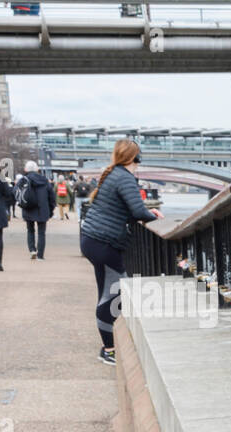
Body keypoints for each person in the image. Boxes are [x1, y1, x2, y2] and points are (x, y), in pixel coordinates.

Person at [79, 139, 162, 365]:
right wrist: (153, 215)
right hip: (103, 243)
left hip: (94, 240)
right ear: (136, 157)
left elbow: (125, 209)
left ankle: (107, 345)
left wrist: (148, 211)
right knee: (115, 294)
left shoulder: (114, 174)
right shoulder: (124, 177)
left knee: (107, 292)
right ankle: (108, 349)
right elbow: (137, 210)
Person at [18, 160, 52, 260]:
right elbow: (51, 196)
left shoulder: (23, 180)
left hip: (28, 207)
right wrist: (51, 209)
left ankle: (32, 249)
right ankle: (40, 255)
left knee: (30, 230)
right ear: (37, 170)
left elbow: (17, 193)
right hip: (42, 208)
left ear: (25, 169)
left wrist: (21, 204)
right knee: (41, 232)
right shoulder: (44, 180)